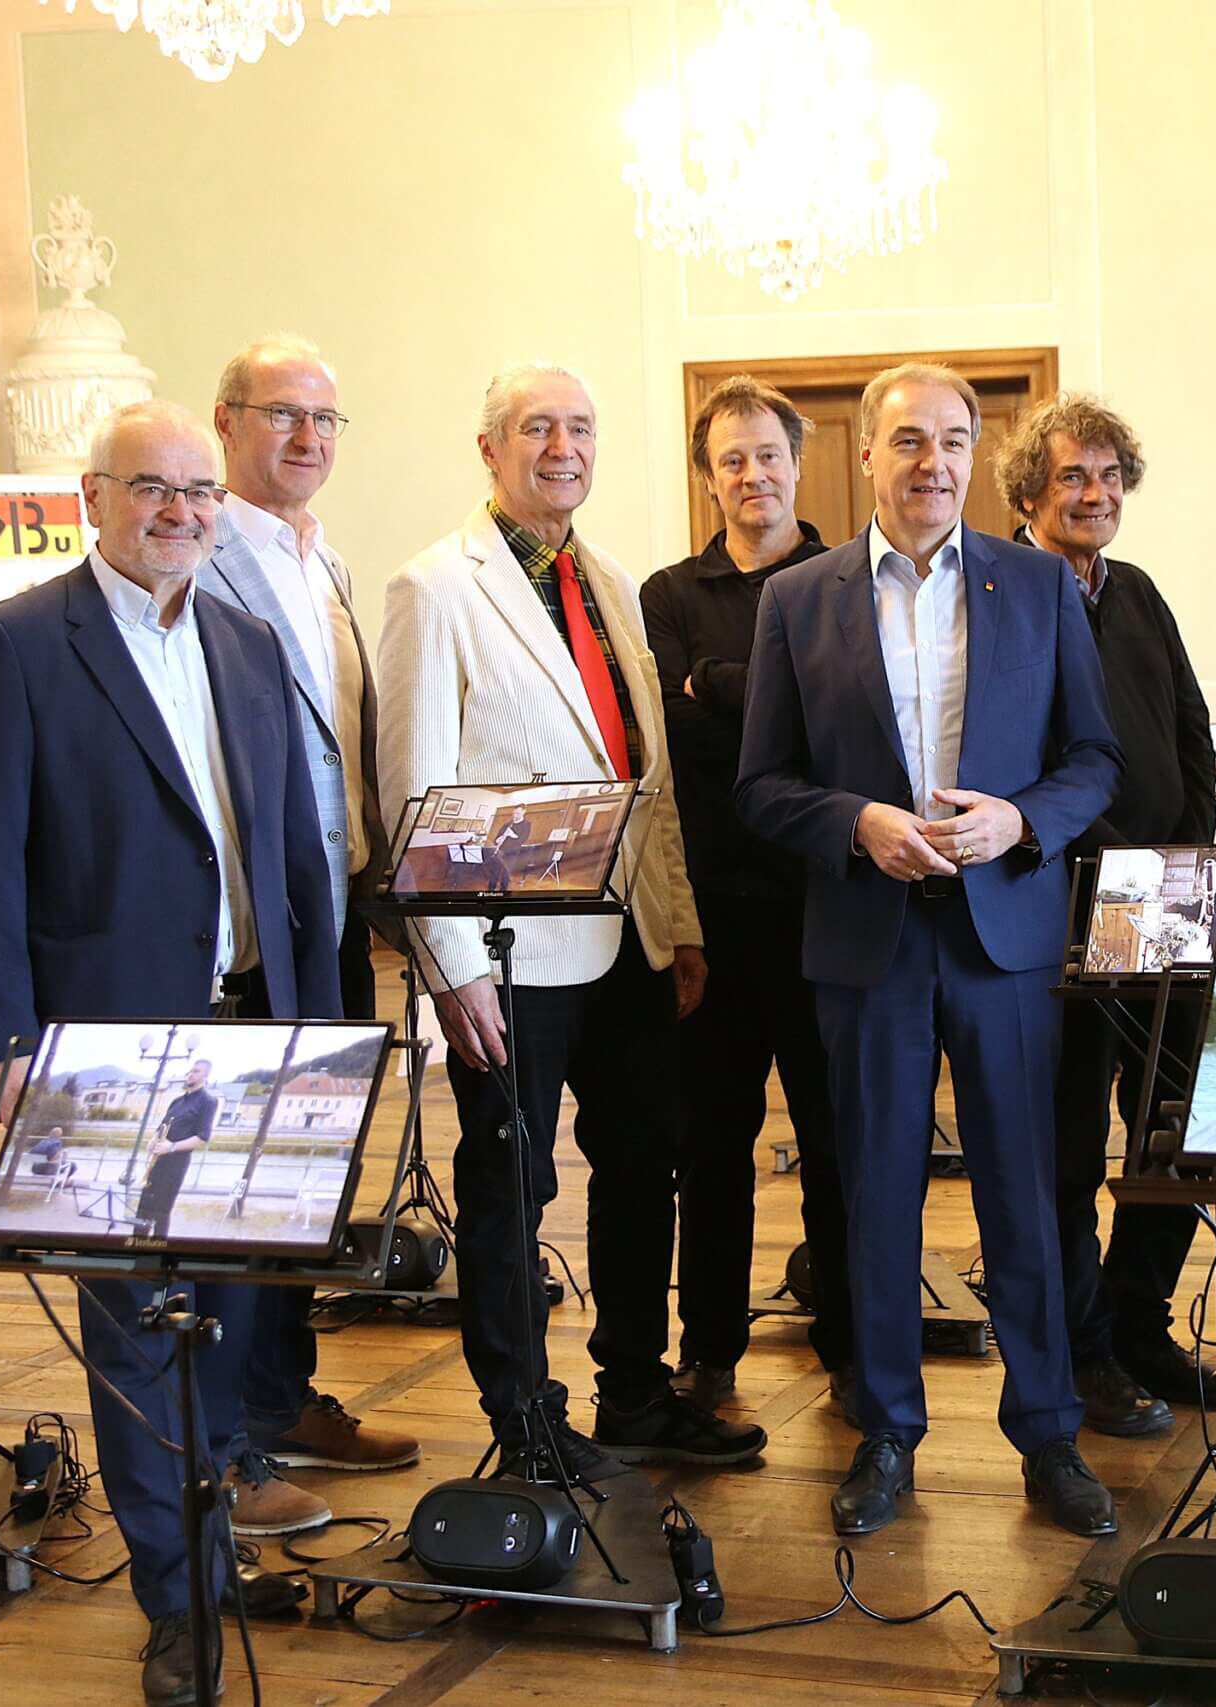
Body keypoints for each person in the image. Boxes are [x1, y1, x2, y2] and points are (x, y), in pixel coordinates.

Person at [0, 400, 343, 1705]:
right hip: (100, 1047)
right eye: (151, 488)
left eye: (194, 493)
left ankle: (210, 1547)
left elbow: (292, 849)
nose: (179, 510)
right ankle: (176, 1603)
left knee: (223, 1319)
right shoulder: (13, 645)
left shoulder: (241, 635)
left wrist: (323, 1020)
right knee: (131, 1333)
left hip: (249, 1028)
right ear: (91, 496)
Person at [737, 361, 1125, 1538]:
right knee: (874, 1202)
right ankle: (888, 1433)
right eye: (908, 441)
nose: (933, 464)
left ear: (974, 454)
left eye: (954, 441)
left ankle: (1049, 1434)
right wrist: (854, 824)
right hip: (869, 942)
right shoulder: (796, 601)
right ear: (866, 455)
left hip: (1004, 941)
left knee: (1027, 1198)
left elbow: (1094, 760)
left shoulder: (1037, 586)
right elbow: (760, 787)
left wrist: (1023, 820)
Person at [377, 363, 764, 1482]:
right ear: (489, 449)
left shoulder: (607, 580)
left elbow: (647, 781)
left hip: (628, 938)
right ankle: (526, 1418)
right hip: (508, 951)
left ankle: (634, 1393)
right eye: (538, 428)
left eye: (581, 428)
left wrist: (680, 924)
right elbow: (414, 791)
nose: (563, 447)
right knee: (513, 1182)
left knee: (645, 1163)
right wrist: (453, 969)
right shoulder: (433, 588)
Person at [200, 334, 420, 1481]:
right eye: (282, 414)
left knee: (305, 1176)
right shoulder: (199, 556)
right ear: (227, 421)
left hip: (332, 909)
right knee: (239, 1183)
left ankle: (282, 1398)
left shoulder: (322, 561)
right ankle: (228, 1435)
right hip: (252, 924)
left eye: (325, 420)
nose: (306, 438)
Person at [996, 390, 1216, 1437]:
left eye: (1107, 476)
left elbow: (1187, 729)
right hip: (1050, 905)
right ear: (1031, 492)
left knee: (1173, 1129)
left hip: (1161, 900)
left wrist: (1184, 868)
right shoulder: (998, 588)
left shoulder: (1135, 591)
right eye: (1071, 477)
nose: (1092, 494)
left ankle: (1140, 1321)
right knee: (1068, 1147)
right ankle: (1082, 1352)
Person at [640, 375, 853, 1415]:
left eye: (767, 454)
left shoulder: (846, 578)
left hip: (827, 908)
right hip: (716, 918)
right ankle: (709, 1348)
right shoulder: (668, 595)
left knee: (835, 1141)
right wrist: (773, 690)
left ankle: (851, 1342)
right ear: (707, 476)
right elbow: (681, 737)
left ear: (796, 462)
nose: (751, 474)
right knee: (710, 1148)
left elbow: (838, 725)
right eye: (730, 459)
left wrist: (718, 685)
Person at [134, 1061, 219, 1238]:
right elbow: (162, 1127)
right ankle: (136, 1244)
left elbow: (202, 1137)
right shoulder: (177, 1101)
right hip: (158, 1161)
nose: (191, 1074)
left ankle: (157, 1252)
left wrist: (171, 1147)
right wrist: (152, 1141)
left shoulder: (208, 1101)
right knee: (144, 1208)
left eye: (196, 1071)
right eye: (190, 1071)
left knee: (161, 1211)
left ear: (206, 1076)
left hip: (176, 1163)